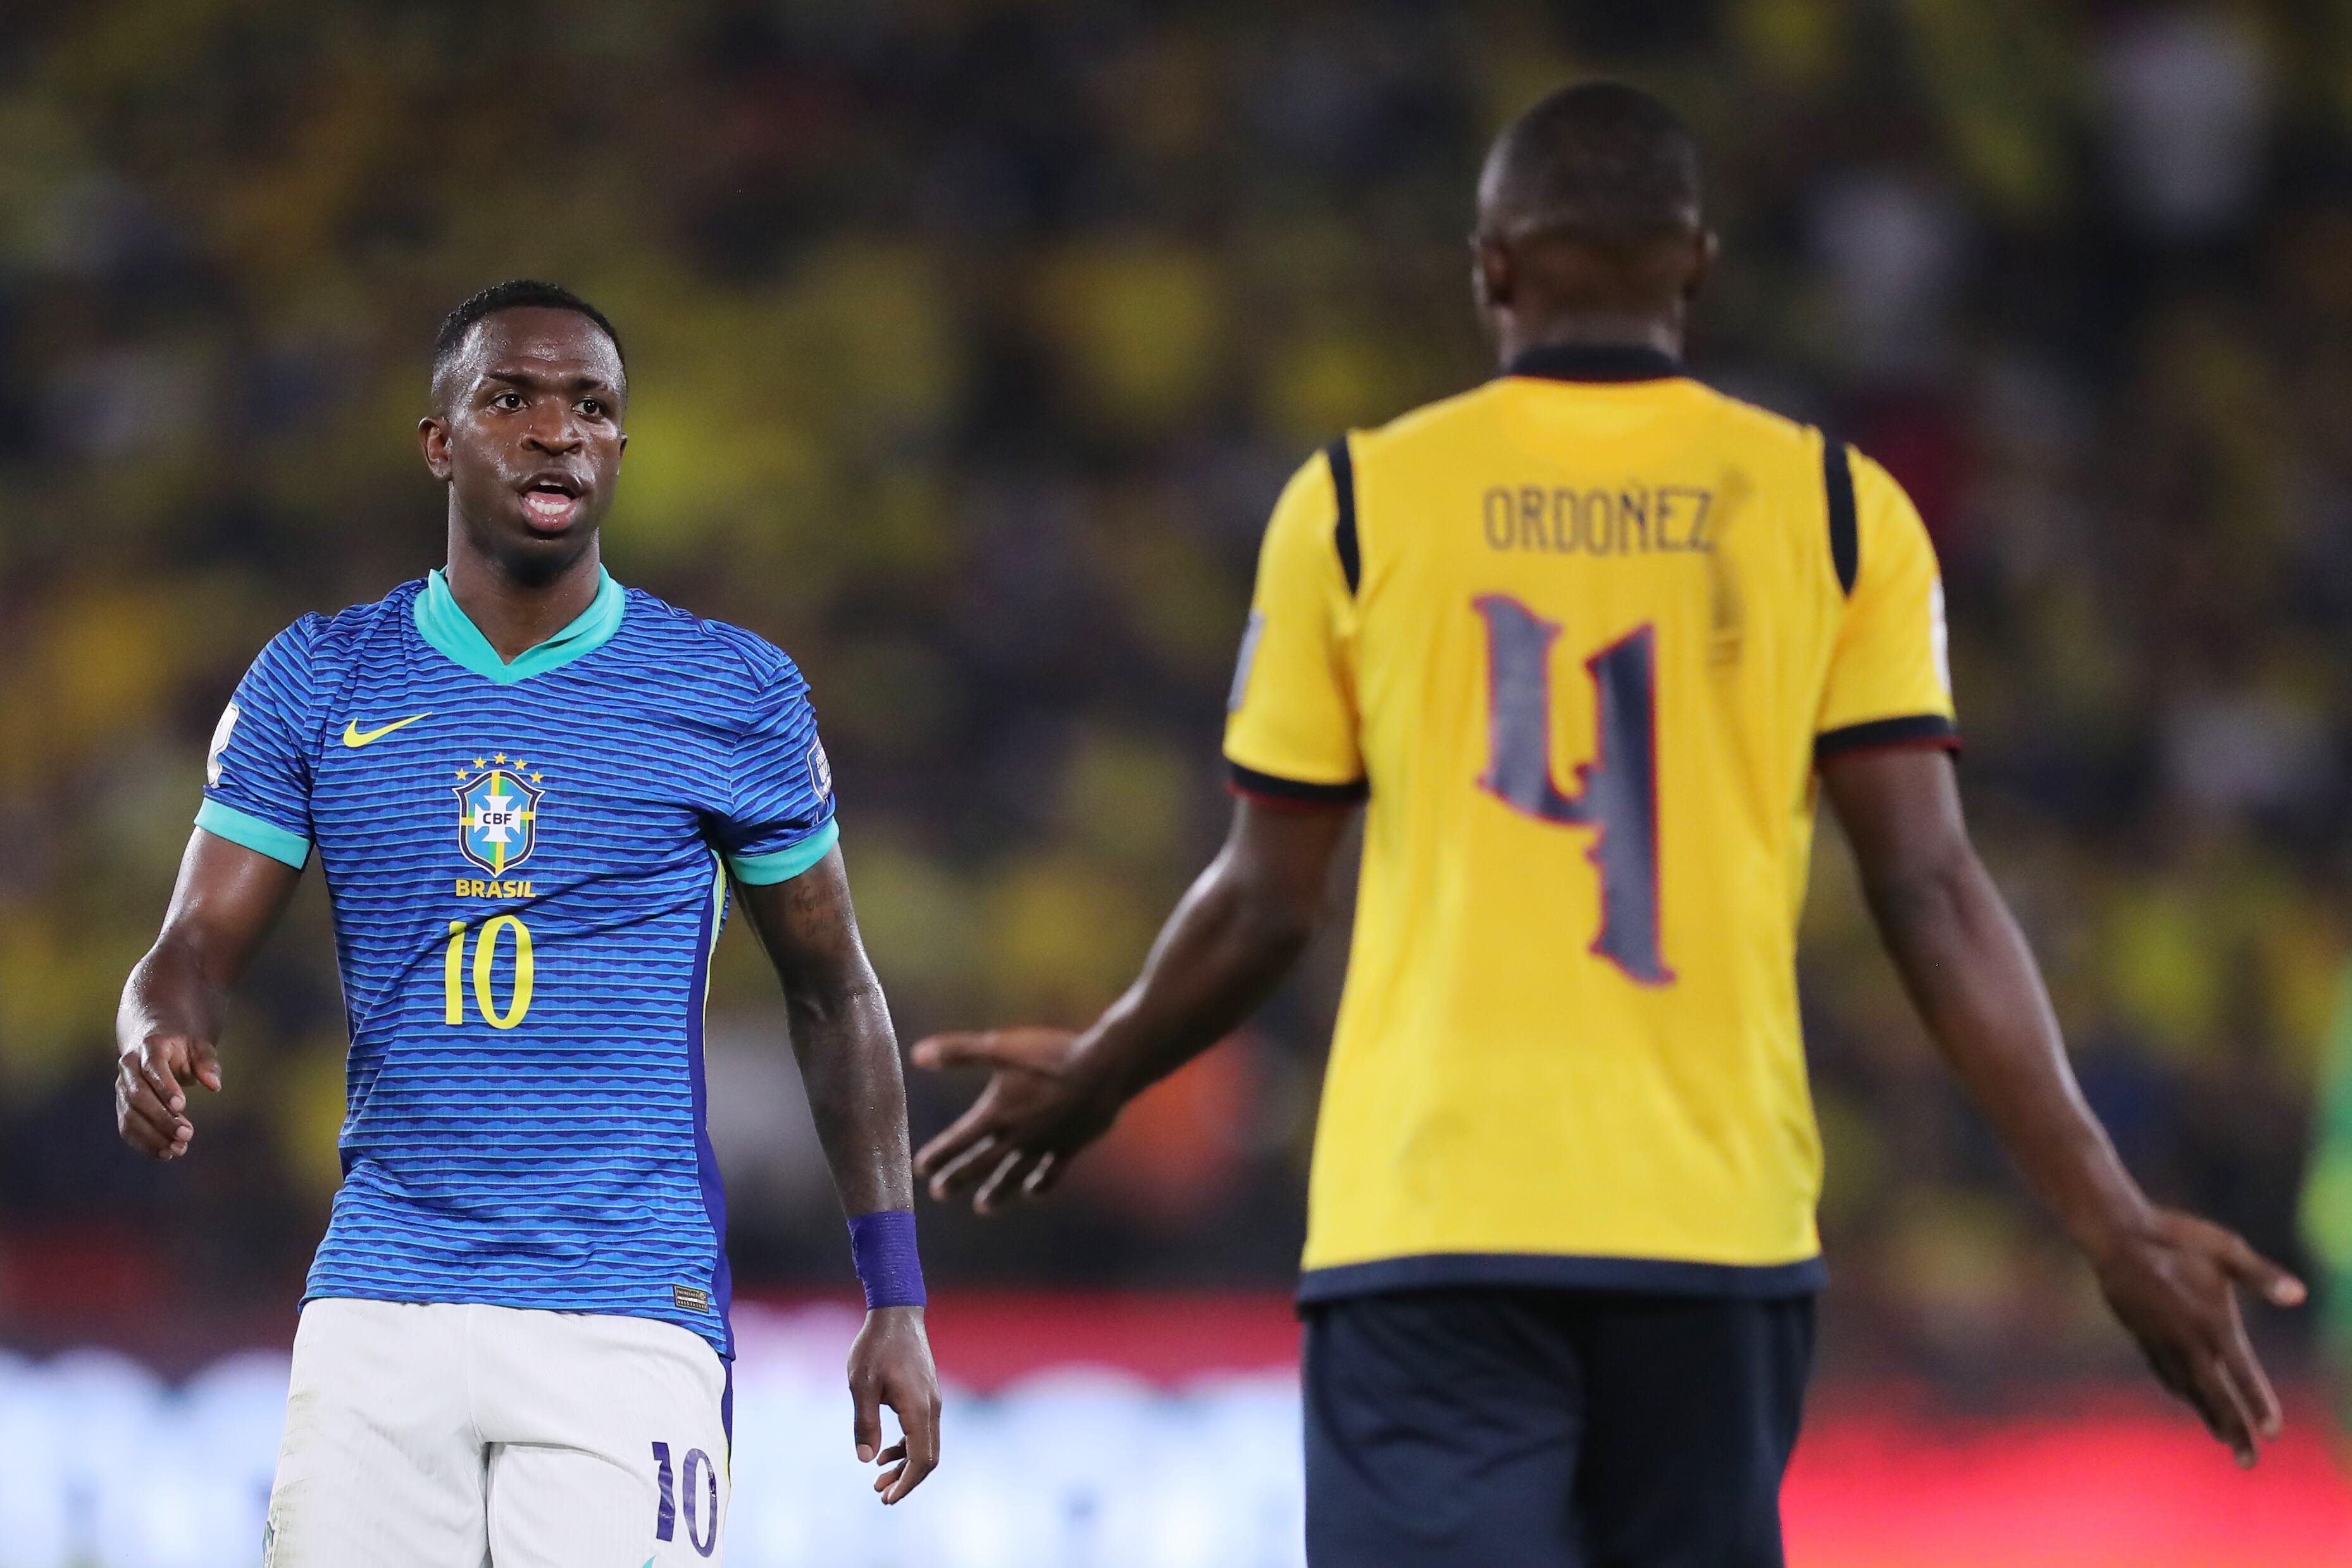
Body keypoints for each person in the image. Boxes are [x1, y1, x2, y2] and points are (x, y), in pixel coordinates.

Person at [911, 82, 2305, 1565]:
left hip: (1429, 1222)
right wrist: (2107, 1219)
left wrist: (1106, 1069)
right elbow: (1932, 889)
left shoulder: (1357, 504)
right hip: (1714, 1231)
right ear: (1694, 267)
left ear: (1489, 268)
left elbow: (1268, 900)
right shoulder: (1836, 509)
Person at [113, 280, 939, 1565]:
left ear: (618, 449)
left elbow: (835, 993)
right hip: (382, 1292)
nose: (557, 430)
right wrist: (153, 1030)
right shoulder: (322, 678)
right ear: (440, 441)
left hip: (624, 1309)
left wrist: (895, 1294)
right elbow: (194, 950)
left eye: (592, 408)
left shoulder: (729, 693)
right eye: (513, 398)